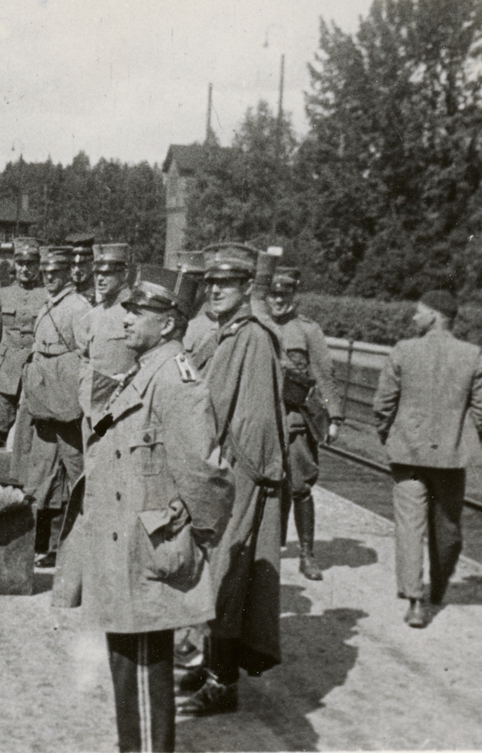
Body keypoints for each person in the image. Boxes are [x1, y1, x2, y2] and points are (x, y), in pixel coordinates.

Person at [55, 266, 233, 753]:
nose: (127, 318)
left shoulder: (176, 380)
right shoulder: (147, 369)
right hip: (127, 546)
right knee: (127, 666)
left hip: (147, 551)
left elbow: (206, 474)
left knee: (141, 667)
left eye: (141, 311)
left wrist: (193, 536)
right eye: (128, 309)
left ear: (170, 323)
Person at [178, 243, 286, 716]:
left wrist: (222, 471)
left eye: (227, 284)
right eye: (212, 283)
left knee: (226, 574)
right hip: (227, 469)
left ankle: (223, 683)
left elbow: (255, 423)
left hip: (238, 475)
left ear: (246, 289)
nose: (215, 290)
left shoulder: (252, 337)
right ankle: (211, 665)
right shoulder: (231, 332)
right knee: (215, 573)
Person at [372, 289, 482, 628]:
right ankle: (438, 588)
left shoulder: (403, 351)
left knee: (409, 527)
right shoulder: (472, 355)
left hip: (407, 456)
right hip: (451, 460)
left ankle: (414, 601)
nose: (414, 318)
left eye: (419, 312)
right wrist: (462, 439)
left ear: (435, 316)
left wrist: (390, 436)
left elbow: (383, 404)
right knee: (448, 528)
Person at [266, 266, 344, 580]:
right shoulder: (256, 325)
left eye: (285, 295)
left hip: (294, 419)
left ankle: (307, 554)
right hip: (262, 417)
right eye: (273, 294)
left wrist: (334, 417)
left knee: (300, 486)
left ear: (294, 296)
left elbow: (324, 375)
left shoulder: (308, 331)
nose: (278, 301)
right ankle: (267, 550)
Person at [17, 245, 90, 566]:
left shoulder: (77, 307)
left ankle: (79, 548)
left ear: (68, 274)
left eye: (55, 274)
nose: (49, 278)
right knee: (41, 475)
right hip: (43, 402)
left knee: (77, 474)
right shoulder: (49, 304)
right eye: (46, 273)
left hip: (67, 404)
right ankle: (40, 545)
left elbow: (87, 357)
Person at [0, 238, 47, 446]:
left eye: (31, 264)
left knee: (32, 436)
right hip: (4, 372)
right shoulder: (2, 295)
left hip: (35, 371)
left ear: (38, 265)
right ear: (15, 264)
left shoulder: (48, 296)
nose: (25, 269)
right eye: (21, 263)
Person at [75, 243, 135, 429]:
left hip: (122, 408)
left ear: (124, 274)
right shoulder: (94, 313)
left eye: (107, 273)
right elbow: (85, 357)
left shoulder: (135, 312)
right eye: (97, 273)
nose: (100, 279)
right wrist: (84, 389)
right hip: (91, 407)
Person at [177, 250, 216, 373]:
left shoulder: (211, 325)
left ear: (204, 286)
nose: (183, 290)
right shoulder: (181, 317)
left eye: (190, 284)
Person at [67, 232, 97, 303]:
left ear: (93, 264)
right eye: (73, 264)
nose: (76, 270)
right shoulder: (67, 297)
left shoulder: (100, 297)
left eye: (82, 264)